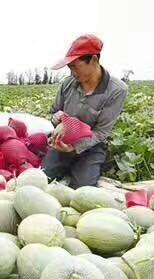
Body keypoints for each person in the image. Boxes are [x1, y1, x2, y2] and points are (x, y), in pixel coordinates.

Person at [43, 35, 128, 188]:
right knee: (43, 176)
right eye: (69, 68)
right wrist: (57, 119)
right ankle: (68, 164)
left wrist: (75, 148)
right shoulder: (68, 84)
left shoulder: (117, 90)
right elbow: (54, 111)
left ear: (94, 60)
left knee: (83, 187)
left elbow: (101, 132)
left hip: (92, 146)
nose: (71, 73)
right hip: (63, 141)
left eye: (75, 66)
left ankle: (92, 164)